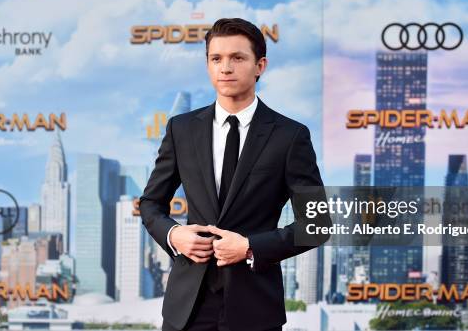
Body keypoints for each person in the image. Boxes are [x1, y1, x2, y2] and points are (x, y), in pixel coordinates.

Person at [140, 17, 330, 331]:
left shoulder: (289, 136)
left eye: (237, 58)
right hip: (187, 307)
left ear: (260, 66)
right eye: (216, 58)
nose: (225, 67)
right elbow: (150, 204)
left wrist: (251, 246)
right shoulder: (181, 129)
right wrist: (175, 235)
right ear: (208, 65)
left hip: (254, 306)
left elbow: (317, 223)